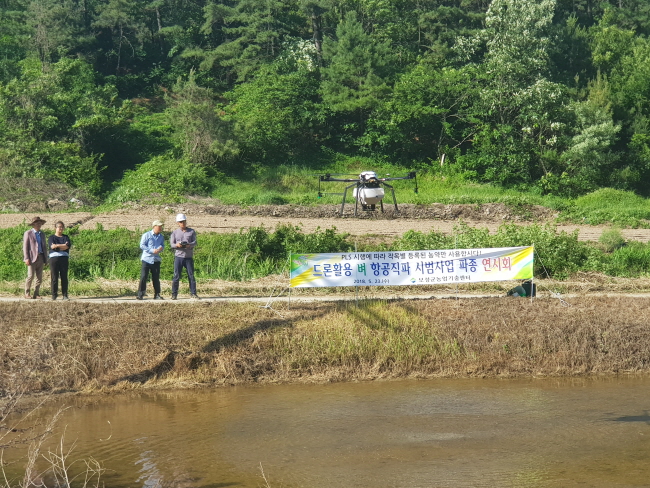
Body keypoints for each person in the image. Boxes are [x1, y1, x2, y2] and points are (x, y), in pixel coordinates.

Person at [170, 213, 198, 300]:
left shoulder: (191, 231)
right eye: (181, 222)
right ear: (178, 223)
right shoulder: (175, 232)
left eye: (184, 221)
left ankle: (193, 293)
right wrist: (177, 245)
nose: (183, 223)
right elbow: (172, 244)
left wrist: (189, 245)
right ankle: (174, 294)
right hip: (179, 257)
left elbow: (195, 242)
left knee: (191, 275)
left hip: (188, 257)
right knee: (176, 276)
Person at [137, 220, 165, 300]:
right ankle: (140, 294)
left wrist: (161, 248)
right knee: (143, 277)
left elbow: (163, 245)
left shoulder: (161, 237)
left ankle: (157, 294)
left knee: (156, 278)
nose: (160, 228)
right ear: (154, 226)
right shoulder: (147, 235)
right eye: (159, 226)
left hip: (156, 259)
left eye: (161, 226)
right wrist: (152, 250)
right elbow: (142, 245)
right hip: (146, 259)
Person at [23, 216, 47, 299]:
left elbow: (44, 247)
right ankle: (27, 293)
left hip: (41, 257)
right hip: (31, 257)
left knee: (39, 277)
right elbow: (25, 247)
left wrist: (45, 259)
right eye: (37, 223)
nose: (39, 224)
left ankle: (36, 294)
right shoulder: (28, 233)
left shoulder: (42, 234)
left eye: (40, 223)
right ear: (33, 224)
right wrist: (26, 258)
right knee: (30, 276)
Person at [48, 221, 71, 300]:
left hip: (64, 258)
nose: (61, 228)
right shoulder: (51, 237)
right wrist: (62, 245)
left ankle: (65, 295)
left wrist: (57, 245)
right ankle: (54, 295)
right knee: (54, 277)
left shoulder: (66, 237)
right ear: (55, 228)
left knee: (64, 276)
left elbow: (67, 246)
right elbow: (52, 247)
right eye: (59, 227)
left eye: (62, 227)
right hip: (54, 259)